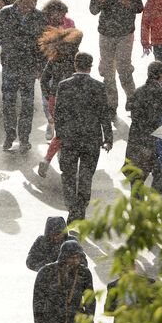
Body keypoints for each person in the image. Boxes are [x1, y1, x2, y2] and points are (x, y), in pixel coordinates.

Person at [54, 52, 114, 223]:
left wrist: (60, 135)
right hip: (91, 139)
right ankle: (81, 206)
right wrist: (108, 138)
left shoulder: (64, 86)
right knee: (86, 175)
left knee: (68, 174)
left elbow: (58, 113)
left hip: (70, 138)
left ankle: (72, 206)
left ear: (75, 65)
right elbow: (104, 114)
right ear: (91, 66)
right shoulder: (98, 87)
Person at [0, 0, 48, 150]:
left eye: (31, 4)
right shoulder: (5, 13)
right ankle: (9, 136)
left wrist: (41, 66)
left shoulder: (39, 17)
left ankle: (24, 138)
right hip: (10, 65)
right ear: (18, 2)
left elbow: (44, 44)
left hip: (29, 67)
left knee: (27, 104)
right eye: (24, 4)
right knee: (8, 102)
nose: (27, 8)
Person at [88, 0, 143, 113]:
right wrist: (100, 2)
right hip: (106, 33)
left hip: (125, 33)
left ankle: (131, 98)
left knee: (124, 68)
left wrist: (128, 3)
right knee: (107, 70)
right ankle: (111, 103)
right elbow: (92, 10)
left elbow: (139, 7)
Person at [124, 60, 162, 189]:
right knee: (158, 175)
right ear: (161, 75)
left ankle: (137, 208)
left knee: (137, 178)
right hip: (152, 139)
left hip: (137, 138)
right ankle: (154, 206)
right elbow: (161, 115)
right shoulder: (160, 92)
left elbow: (132, 111)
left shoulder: (139, 91)